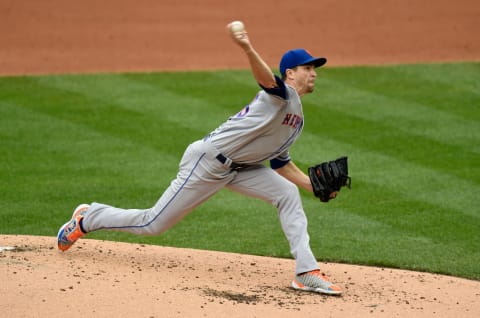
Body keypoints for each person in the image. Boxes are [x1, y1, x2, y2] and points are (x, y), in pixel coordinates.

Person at [57, 22, 342, 295]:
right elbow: (266, 79)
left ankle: (306, 272)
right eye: (308, 68)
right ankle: (88, 218)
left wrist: (313, 187)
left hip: (241, 168)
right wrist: (247, 48)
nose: (314, 73)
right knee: (152, 224)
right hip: (207, 163)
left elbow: (281, 163)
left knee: (287, 193)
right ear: (290, 73)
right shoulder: (280, 94)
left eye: (315, 68)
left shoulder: (296, 119)